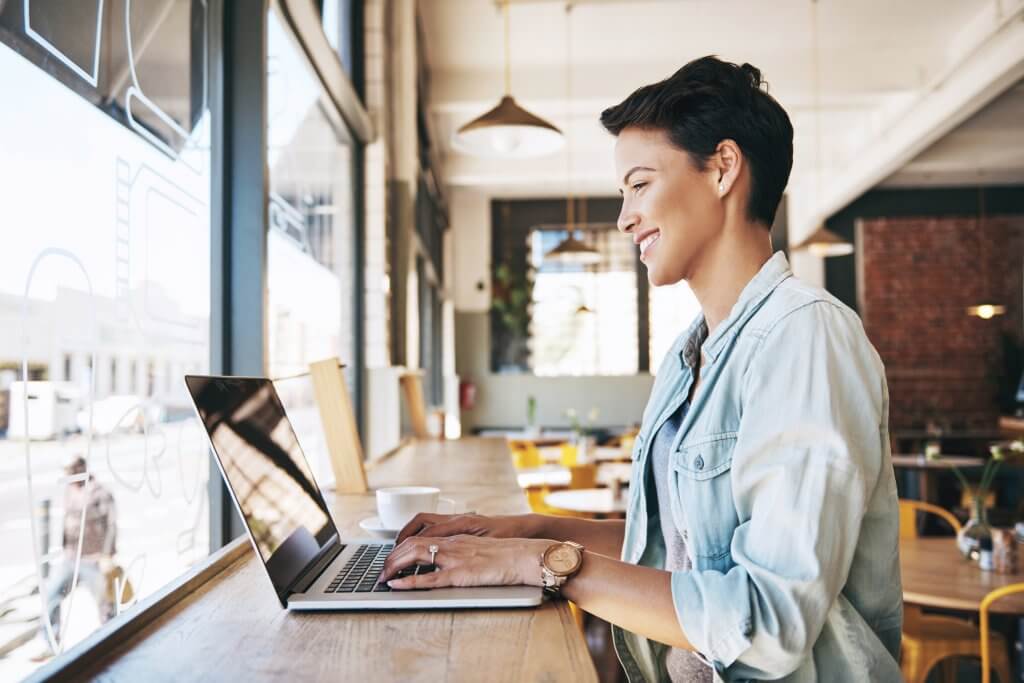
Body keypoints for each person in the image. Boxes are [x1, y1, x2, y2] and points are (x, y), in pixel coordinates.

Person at [380, 55, 902, 682]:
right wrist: (511, 533)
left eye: (639, 184)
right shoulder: (692, 353)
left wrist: (540, 562)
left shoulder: (805, 337)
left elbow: (767, 621)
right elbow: (677, 551)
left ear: (723, 169)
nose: (624, 216)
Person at [39, 454, 119, 652]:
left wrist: (107, 555)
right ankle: (50, 643)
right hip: (70, 557)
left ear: (81, 468)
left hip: (93, 559)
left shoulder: (99, 492)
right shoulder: (69, 490)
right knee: (52, 594)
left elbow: (111, 525)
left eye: (71, 470)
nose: (68, 475)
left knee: (105, 603)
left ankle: (113, 641)